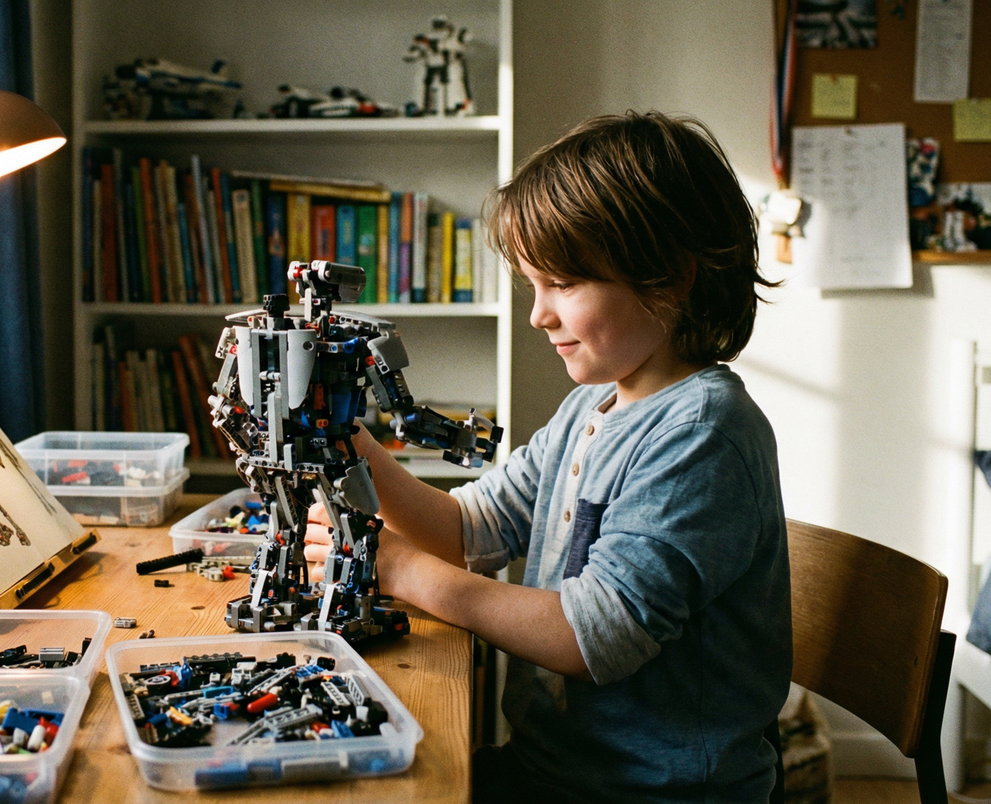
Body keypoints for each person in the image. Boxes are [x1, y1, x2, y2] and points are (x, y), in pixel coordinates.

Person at [305, 111, 790, 803]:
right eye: (535, 285)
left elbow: (592, 637)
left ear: (672, 277)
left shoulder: (703, 433)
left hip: (657, 792)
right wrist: (348, 436)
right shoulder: (591, 409)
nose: (539, 314)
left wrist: (399, 569)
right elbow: (468, 530)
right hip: (557, 770)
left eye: (562, 283)